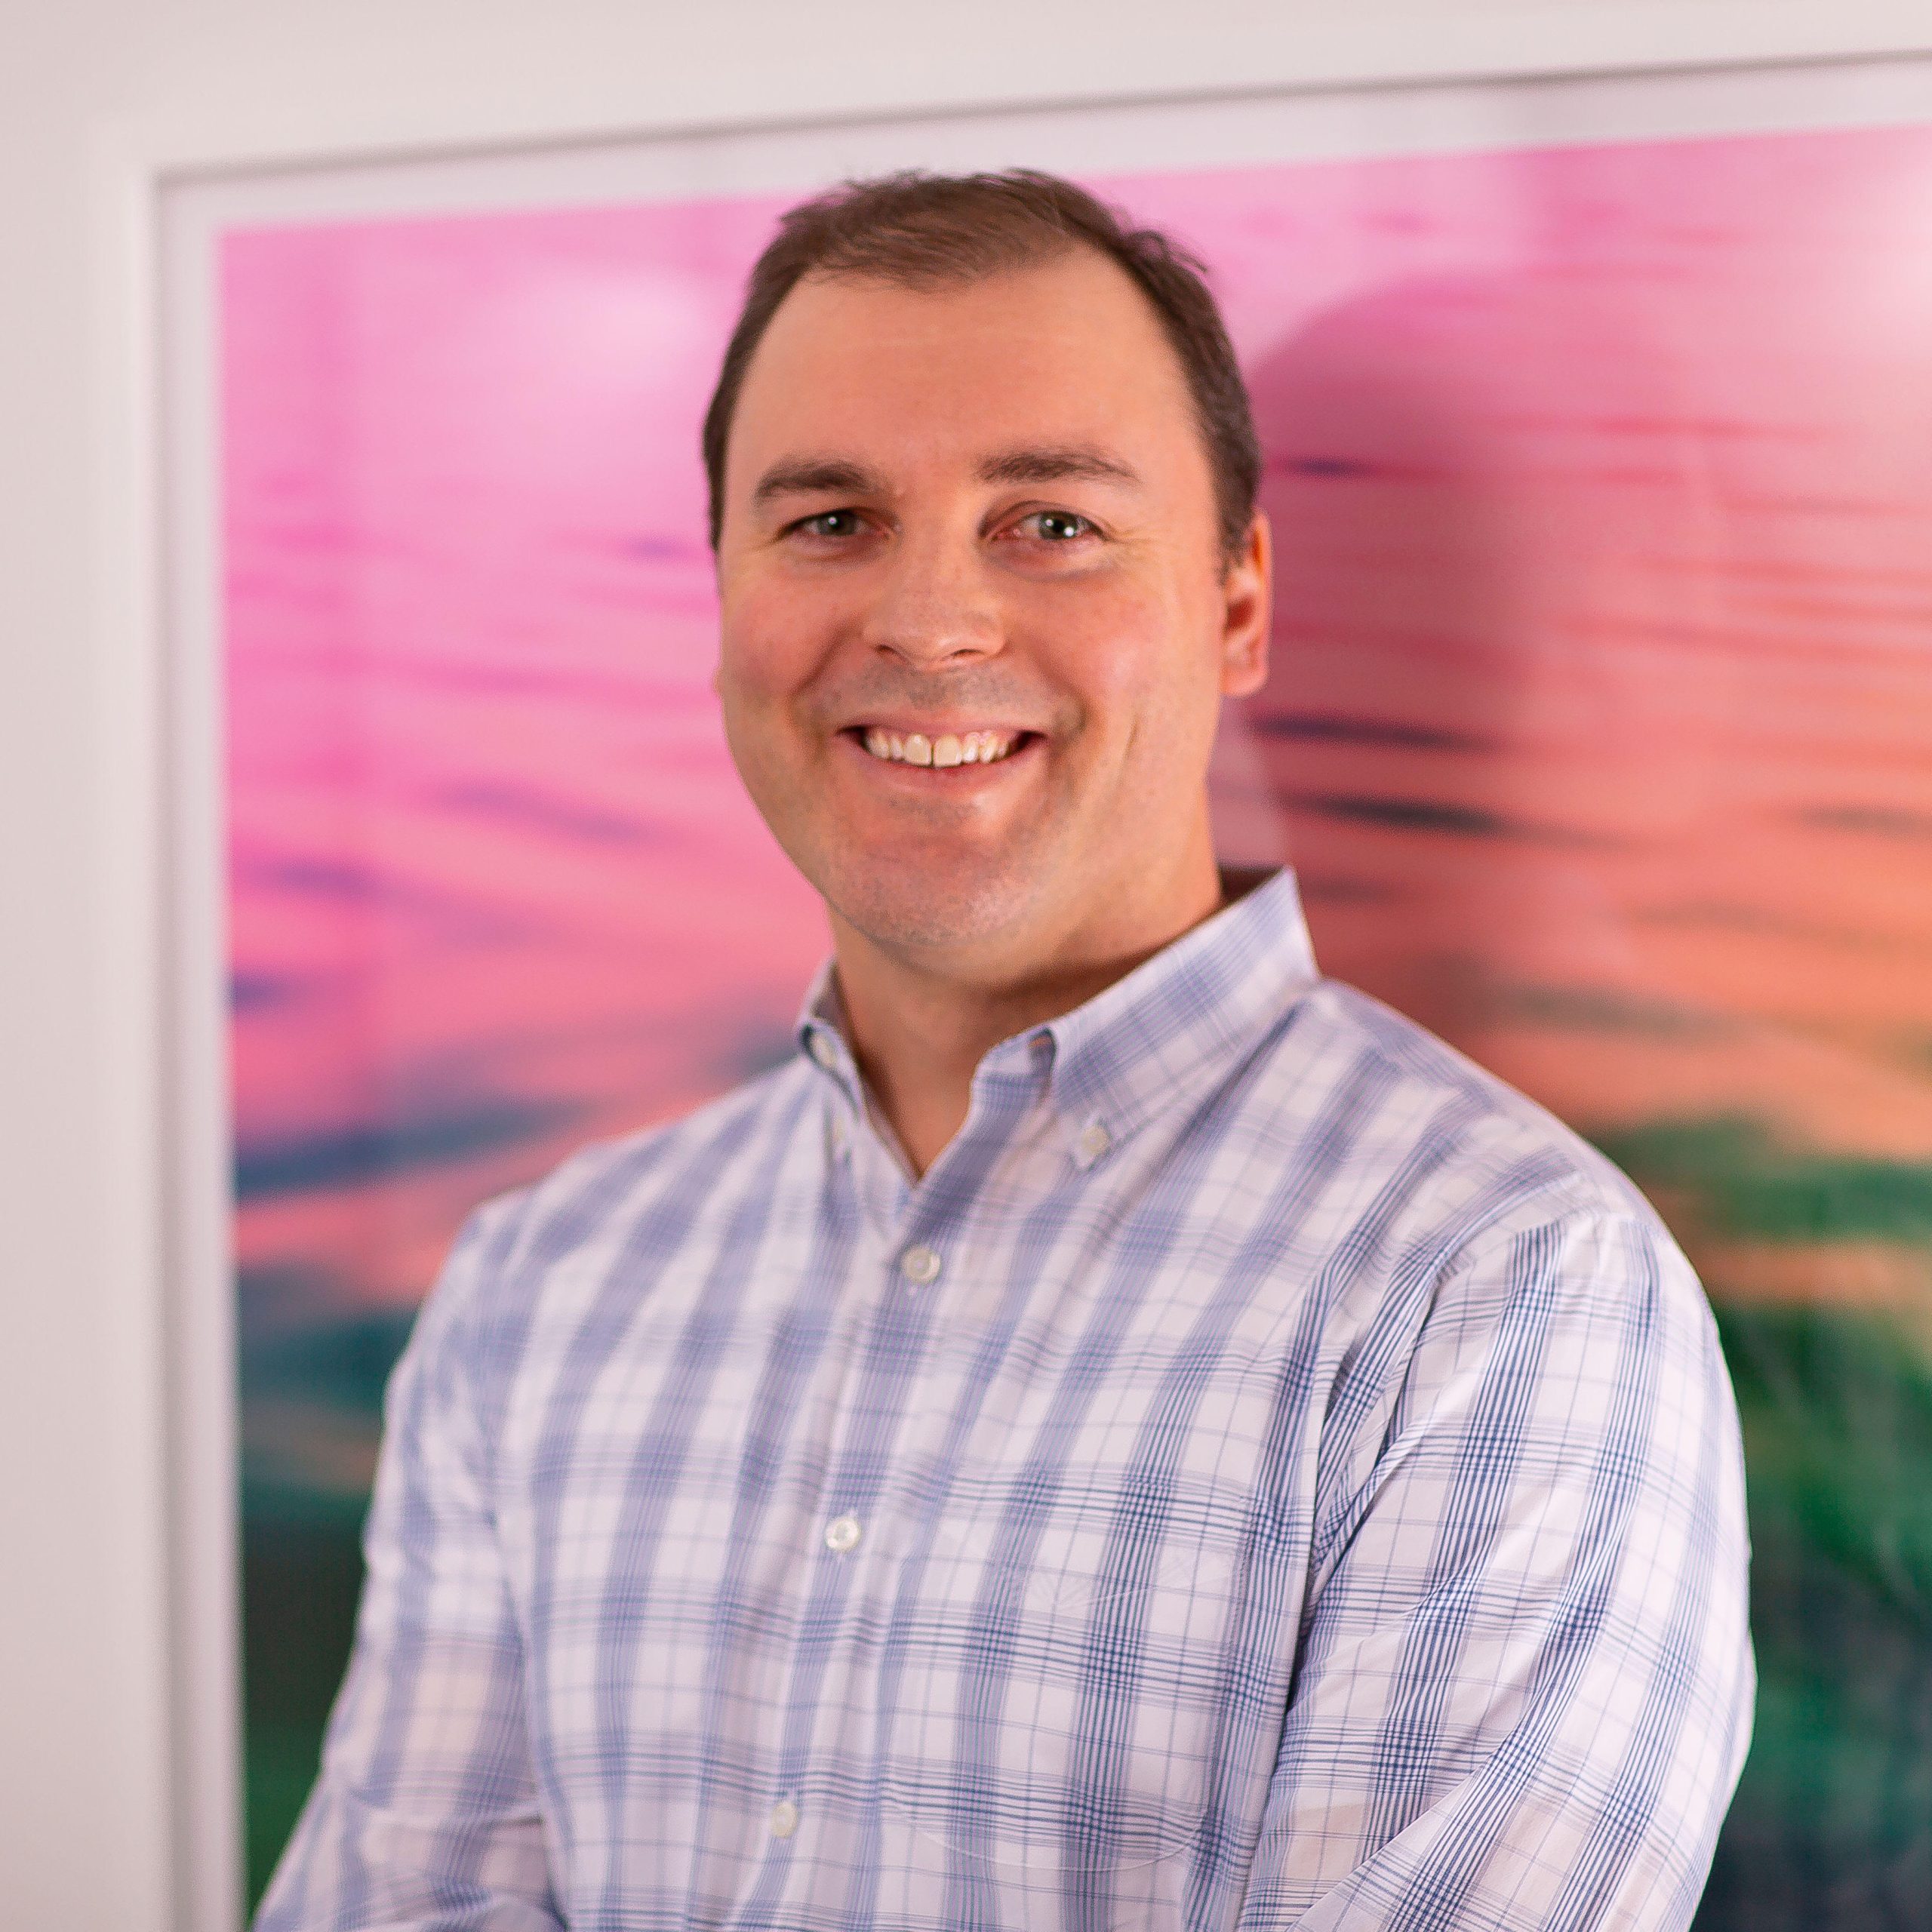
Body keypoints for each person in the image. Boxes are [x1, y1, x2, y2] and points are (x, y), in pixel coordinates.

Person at [256, 169, 1754, 1932]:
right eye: (829, 520)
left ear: (1235, 606)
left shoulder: (1498, 1295)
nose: (927, 621)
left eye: (1047, 521)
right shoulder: (539, 1292)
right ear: (723, 595)